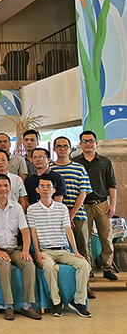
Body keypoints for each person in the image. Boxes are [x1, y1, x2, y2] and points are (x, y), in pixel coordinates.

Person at [0, 175, 40, 321]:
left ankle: (27, 305)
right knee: (4, 265)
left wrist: (25, 250)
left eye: (6, 186)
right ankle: (8, 306)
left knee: (29, 264)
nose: (3, 189)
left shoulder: (17, 207)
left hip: (14, 248)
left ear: (10, 188)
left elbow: (25, 231)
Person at [28, 176, 92, 318]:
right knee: (48, 266)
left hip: (63, 249)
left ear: (54, 190)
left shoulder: (62, 208)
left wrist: (76, 251)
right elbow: (33, 233)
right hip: (45, 251)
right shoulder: (32, 210)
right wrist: (37, 253)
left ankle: (78, 301)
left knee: (84, 264)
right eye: (42, 186)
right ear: (37, 190)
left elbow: (68, 230)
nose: (46, 189)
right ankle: (56, 302)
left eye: (49, 186)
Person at [73, 130, 118, 281]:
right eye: (85, 141)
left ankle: (107, 267)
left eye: (91, 141)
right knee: (84, 238)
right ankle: (88, 267)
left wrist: (113, 204)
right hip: (82, 205)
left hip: (102, 203)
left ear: (96, 142)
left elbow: (112, 184)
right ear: (80, 144)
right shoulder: (75, 162)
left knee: (106, 236)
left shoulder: (105, 162)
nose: (88, 144)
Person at [52, 137, 92, 270]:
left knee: (82, 248)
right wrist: (63, 217)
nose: (62, 149)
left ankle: (87, 278)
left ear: (70, 149)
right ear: (54, 149)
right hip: (56, 217)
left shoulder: (79, 168)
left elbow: (83, 192)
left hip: (78, 214)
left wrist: (71, 215)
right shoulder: (50, 169)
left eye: (65, 146)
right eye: (59, 146)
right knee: (62, 250)